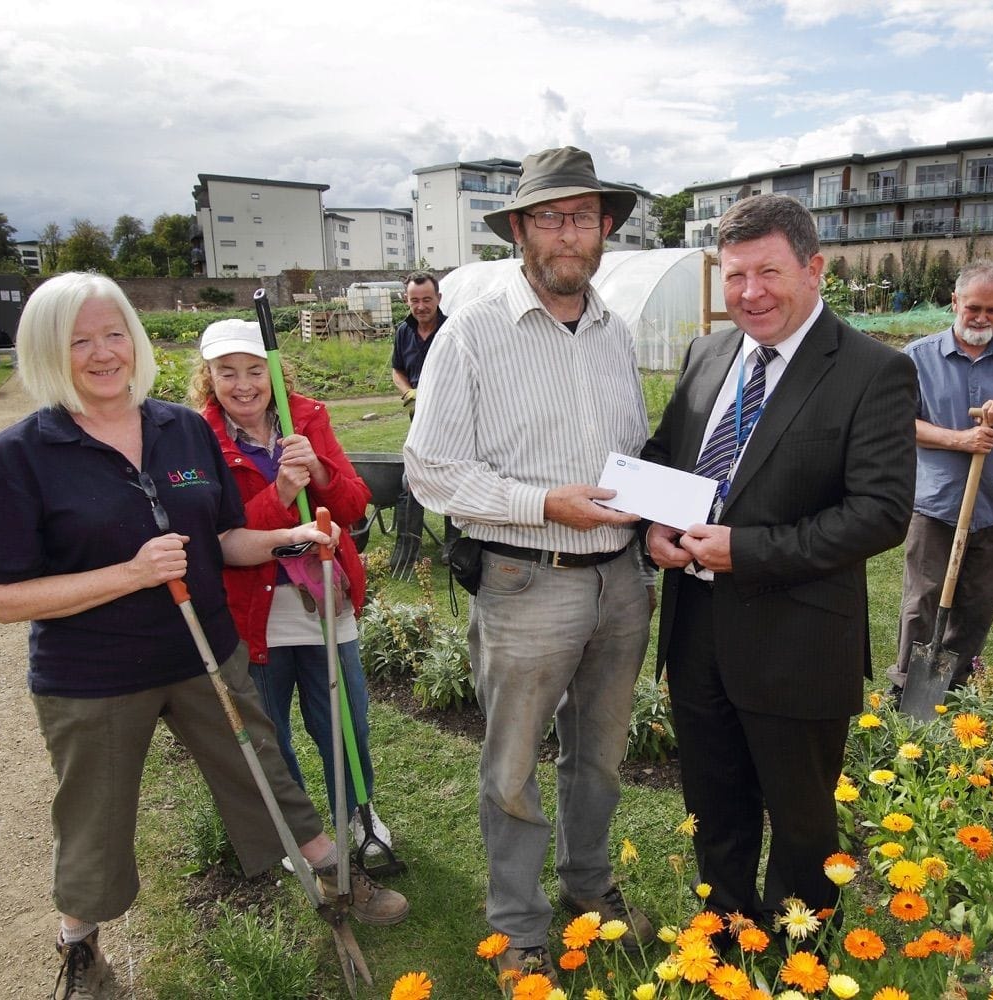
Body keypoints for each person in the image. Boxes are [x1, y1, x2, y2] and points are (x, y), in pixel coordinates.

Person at [0, 273, 407, 1000]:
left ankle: (334, 877)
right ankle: (81, 947)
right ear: (49, 350)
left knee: (262, 767)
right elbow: (5, 599)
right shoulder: (19, 456)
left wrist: (289, 535)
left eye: (115, 334)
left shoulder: (180, 428)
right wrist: (133, 573)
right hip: (93, 674)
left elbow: (225, 538)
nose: (103, 353)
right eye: (80, 340)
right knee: (96, 814)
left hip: (206, 649)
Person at [404, 147, 654, 990]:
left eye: (581, 216)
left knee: (602, 756)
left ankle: (591, 895)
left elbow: (632, 453)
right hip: (526, 578)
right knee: (512, 768)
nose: (565, 233)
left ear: (605, 228)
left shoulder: (616, 334)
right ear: (518, 230)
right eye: (547, 217)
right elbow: (430, 471)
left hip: (620, 579)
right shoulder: (472, 334)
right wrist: (547, 502)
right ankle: (517, 928)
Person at [642, 194, 917, 925]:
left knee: (801, 826)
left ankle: (796, 962)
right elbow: (668, 455)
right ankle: (726, 940)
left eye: (769, 272)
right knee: (714, 807)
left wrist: (747, 550)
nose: (750, 293)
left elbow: (881, 512)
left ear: (814, 269)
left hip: (798, 639)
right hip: (698, 631)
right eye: (735, 276)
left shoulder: (871, 371)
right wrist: (655, 525)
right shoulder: (708, 353)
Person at [189, 318, 397, 868]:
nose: (243, 384)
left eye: (255, 370)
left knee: (343, 717)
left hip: (324, 597)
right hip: (254, 609)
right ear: (208, 377)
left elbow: (354, 503)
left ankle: (358, 813)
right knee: (270, 727)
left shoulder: (306, 417)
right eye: (226, 372)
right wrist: (281, 494)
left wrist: (322, 475)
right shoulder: (195, 439)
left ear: (273, 371)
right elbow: (218, 540)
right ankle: (298, 827)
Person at [890, 261, 993, 695]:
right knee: (923, 600)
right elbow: (901, 423)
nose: (981, 318)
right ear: (955, 302)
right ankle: (908, 687)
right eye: (973, 307)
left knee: (978, 603)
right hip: (936, 503)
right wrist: (960, 439)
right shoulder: (918, 358)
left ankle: (948, 687)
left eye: (992, 311)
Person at [389, 272, 448, 576]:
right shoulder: (403, 332)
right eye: (415, 300)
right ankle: (407, 549)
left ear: (438, 298)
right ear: (407, 300)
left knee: (453, 476)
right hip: (419, 421)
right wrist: (409, 391)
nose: (421, 306)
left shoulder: (453, 329)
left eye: (427, 299)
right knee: (411, 480)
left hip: (452, 419)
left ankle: (452, 545)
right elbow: (397, 370)